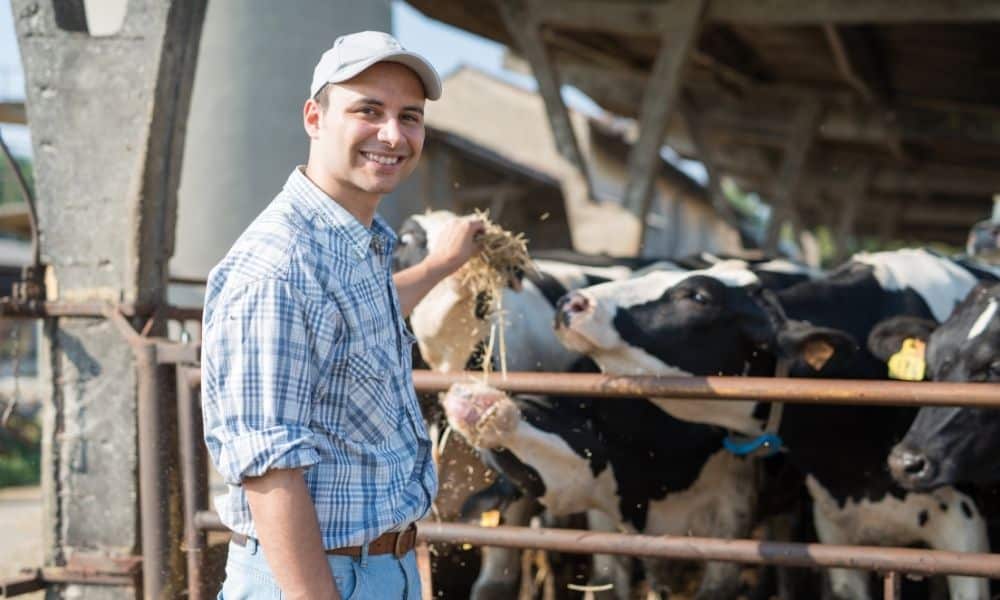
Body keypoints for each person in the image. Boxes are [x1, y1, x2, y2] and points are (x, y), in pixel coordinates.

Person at [201, 31, 484, 599]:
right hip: (315, 579)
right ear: (314, 117)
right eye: (368, 110)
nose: (392, 135)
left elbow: (358, 317)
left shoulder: (353, 242)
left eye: (409, 116)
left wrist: (441, 265)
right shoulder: (278, 268)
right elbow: (270, 469)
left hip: (382, 568)